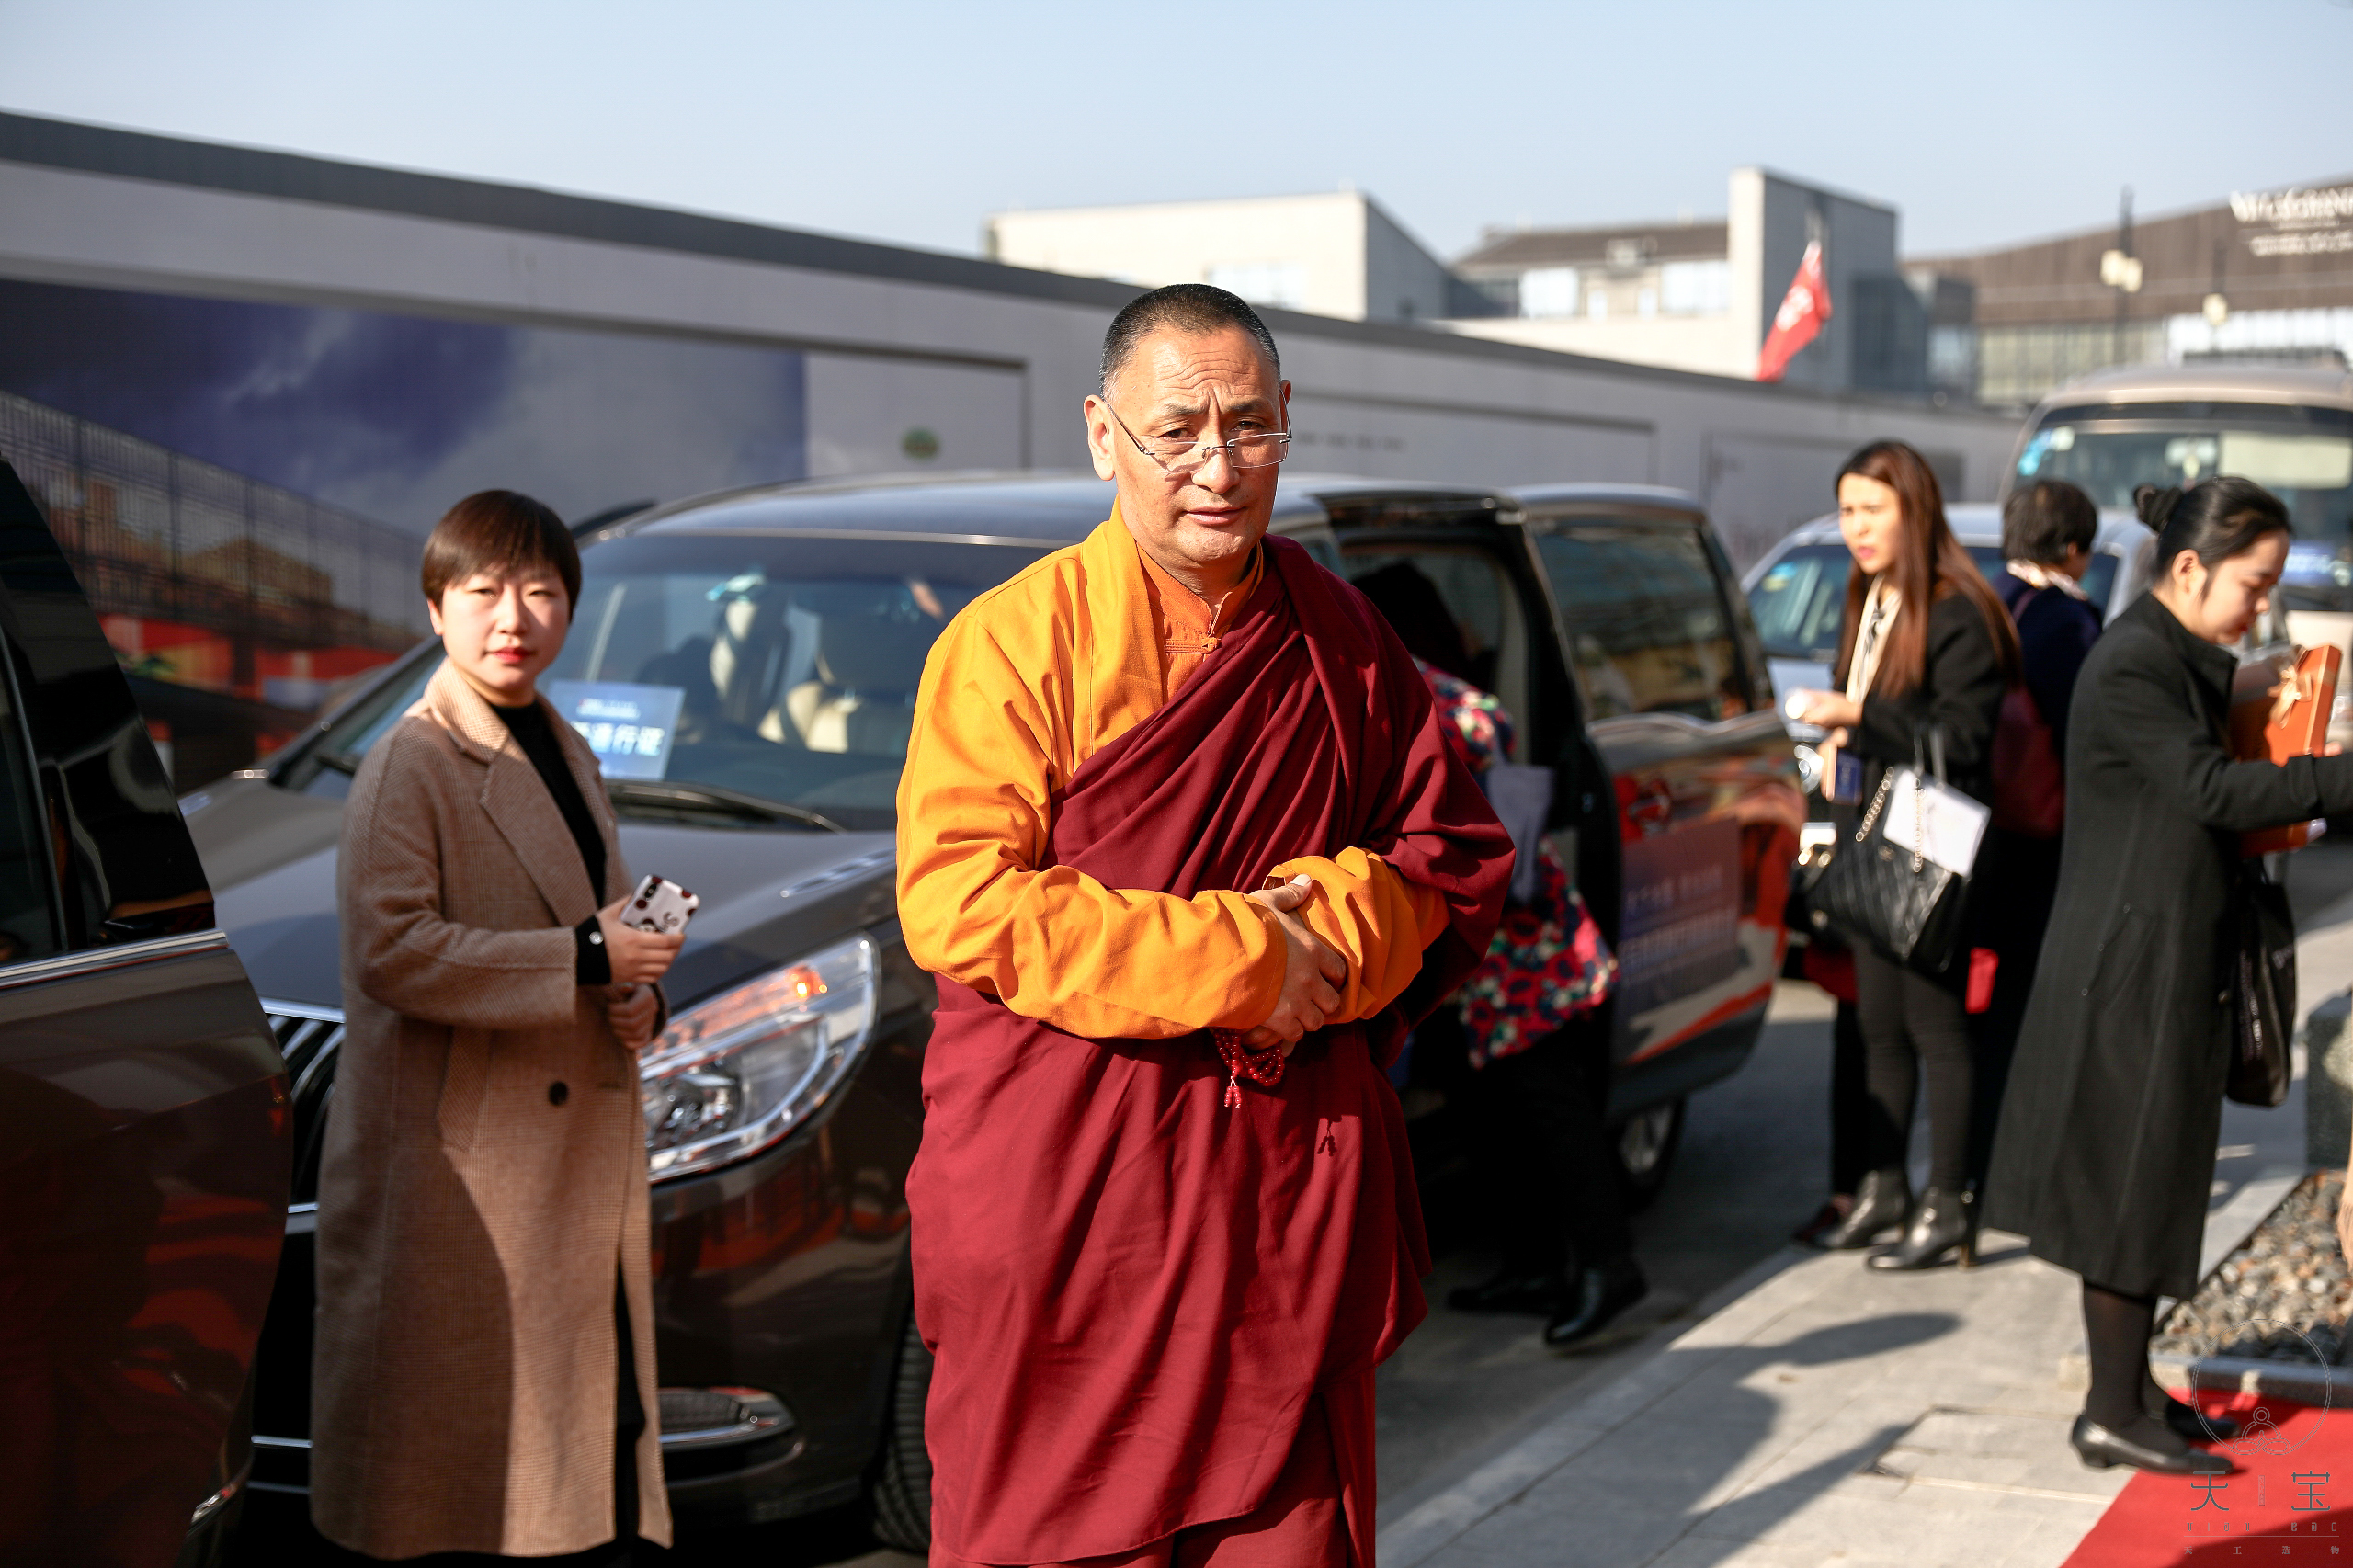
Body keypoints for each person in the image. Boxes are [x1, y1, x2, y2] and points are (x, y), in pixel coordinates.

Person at [895, 284, 1512, 1568]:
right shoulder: (1013, 643)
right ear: (1103, 434)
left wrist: (1329, 930)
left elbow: (1449, 861)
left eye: (1249, 428)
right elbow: (961, 899)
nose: (1218, 469)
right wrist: (1249, 959)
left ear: (1288, 417)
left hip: (1276, 1200)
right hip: (1074, 1200)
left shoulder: (1342, 640)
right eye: (1177, 432)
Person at [314, 492, 684, 1562]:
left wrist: (637, 989)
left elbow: (603, 912)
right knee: (456, 1482)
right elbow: (391, 951)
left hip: (555, 1149)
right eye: (482, 591)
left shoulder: (563, 743)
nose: (512, 617)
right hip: (468, 1174)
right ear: (436, 608)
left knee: (568, 1450)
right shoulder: (412, 758)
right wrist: (584, 958)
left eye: (540, 591)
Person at [1988, 477, 2353, 1476]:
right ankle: (2110, 1409)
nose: (2262, 605)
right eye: (2254, 584)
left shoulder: (2170, 653)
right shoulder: (2135, 663)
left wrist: (2265, 682)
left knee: (2150, 1178)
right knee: (2128, 1186)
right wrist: (2340, 775)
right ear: (2190, 567)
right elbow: (2212, 789)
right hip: (2130, 968)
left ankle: (2134, 1391)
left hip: (2159, 954)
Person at [1352, 562, 1633, 1348]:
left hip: (1519, 947)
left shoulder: (1421, 688)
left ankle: (1609, 1266)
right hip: (1480, 954)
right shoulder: (1404, 682)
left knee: (1552, 1112)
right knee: (1496, 1116)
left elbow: (1484, 730)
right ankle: (1536, 1262)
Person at [1790, 441, 2018, 1270]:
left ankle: (1948, 1202)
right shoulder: (1870, 597)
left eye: (1872, 510)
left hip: (1930, 842)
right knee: (1877, 1024)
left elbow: (1962, 737)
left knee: (1935, 1026)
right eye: (1847, 510)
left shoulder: (1958, 608)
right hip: (1869, 837)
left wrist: (1857, 715)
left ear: (1913, 511)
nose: (1856, 527)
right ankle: (1883, 1188)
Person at [1966, 480, 2104, 1190]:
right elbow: (2087, 736)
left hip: (1974, 828)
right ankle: (2013, 1164)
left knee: (1980, 1011)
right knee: (2028, 1002)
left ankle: (1970, 1163)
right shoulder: (2068, 623)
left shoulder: (1983, 601)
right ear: (2075, 549)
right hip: (2042, 839)